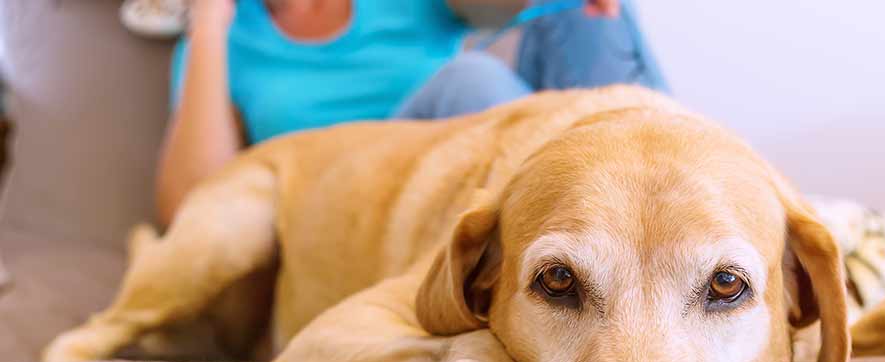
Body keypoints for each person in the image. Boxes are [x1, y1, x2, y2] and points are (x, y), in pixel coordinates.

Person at [157, 0, 667, 226]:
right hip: (347, 204)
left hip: (454, 176)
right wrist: (208, 21)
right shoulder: (227, 37)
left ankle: (655, 207)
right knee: (473, 79)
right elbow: (189, 209)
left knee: (588, 19)